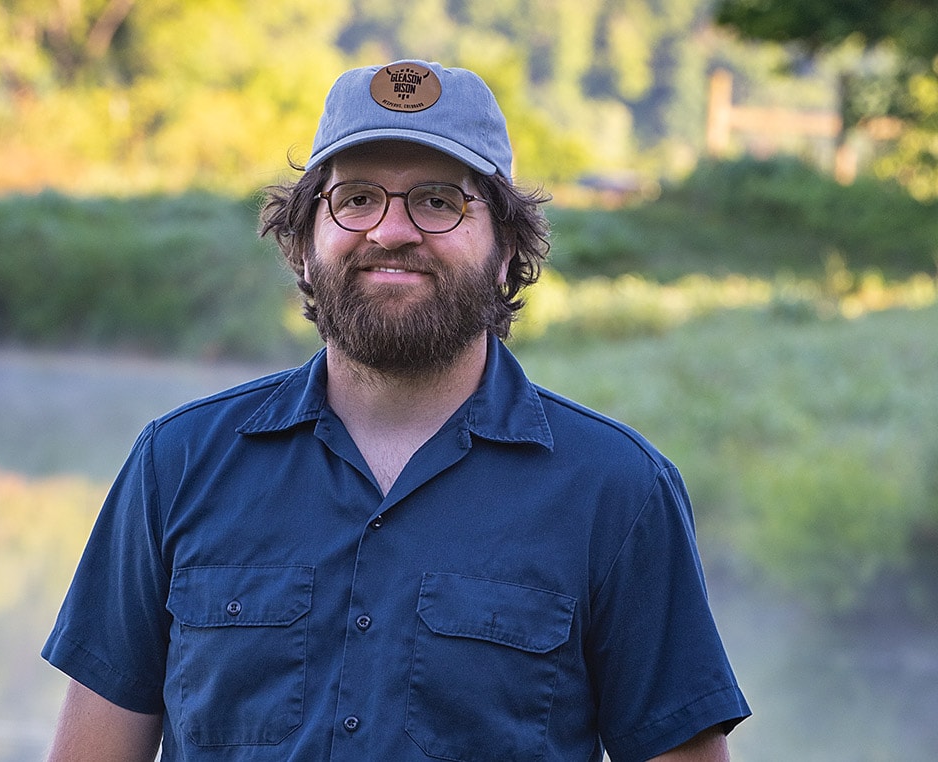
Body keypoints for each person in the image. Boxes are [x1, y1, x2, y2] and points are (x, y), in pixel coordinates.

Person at [42, 59, 750, 761]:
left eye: (439, 201)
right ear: (305, 241)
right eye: (355, 198)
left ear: (507, 248)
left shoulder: (618, 492)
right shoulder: (177, 463)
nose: (391, 231)